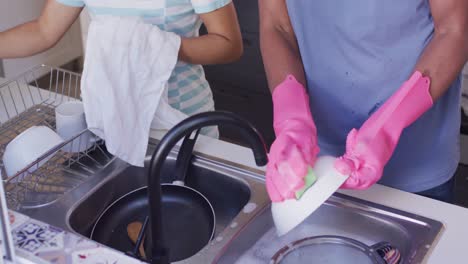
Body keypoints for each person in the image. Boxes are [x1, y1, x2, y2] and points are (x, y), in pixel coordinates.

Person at [260, 0, 468, 203]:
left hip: (416, 161)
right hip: (317, 163)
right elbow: (276, 25)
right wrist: (291, 119)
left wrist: (387, 126)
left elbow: (454, 30)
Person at [0, 0, 243, 138]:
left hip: (182, 122)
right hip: (111, 118)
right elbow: (43, 31)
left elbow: (229, 44)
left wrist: (156, 46)